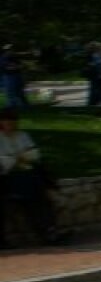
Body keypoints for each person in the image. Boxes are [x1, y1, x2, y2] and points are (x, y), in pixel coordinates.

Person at [0, 107, 63, 247]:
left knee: (40, 198)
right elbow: (4, 160)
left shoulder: (23, 135)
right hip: (8, 177)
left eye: (13, 121)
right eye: (7, 121)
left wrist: (21, 158)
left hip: (26, 173)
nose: (11, 124)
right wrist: (16, 159)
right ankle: (46, 233)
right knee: (29, 193)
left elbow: (33, 154)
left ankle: (49, 232)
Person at [1, 44, 28, 108]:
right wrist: (15, 67)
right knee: (10, 91)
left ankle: (23, 104)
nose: (11, 51)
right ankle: (12, 104)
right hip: (8, 76)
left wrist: (14, 67)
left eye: (12, 49)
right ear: (6, 50)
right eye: (9, 50)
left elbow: (21, 66)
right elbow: (6, 67)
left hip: (17, 75)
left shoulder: (15, 58)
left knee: (19, 91)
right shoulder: (3, 58)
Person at [85, 42, 101, 107]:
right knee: (98, 90)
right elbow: (95, 65)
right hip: (96, 76)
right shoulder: (93, 55)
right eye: (99, 47)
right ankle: (95, 103)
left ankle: (97, 103)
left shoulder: (97, 55)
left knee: (99, 89)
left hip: (98, 76)